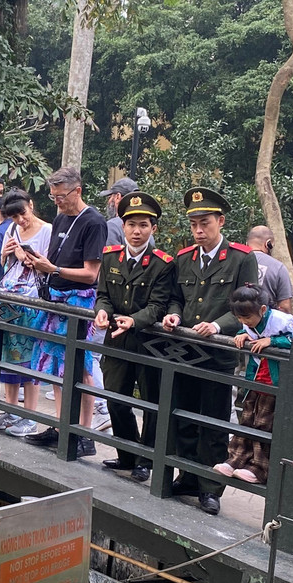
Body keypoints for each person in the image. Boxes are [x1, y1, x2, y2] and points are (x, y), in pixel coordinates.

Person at [162, 187, 259, 515]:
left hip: (217, 355)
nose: (199, 231)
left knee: (213, 424)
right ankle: (187, 476)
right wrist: (173, 314)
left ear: (220, 221)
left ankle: (210, 486)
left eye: (205, 223)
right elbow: (176, 296)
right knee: (184, 419)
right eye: (194, 225)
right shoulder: (183, 258)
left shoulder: (241, 258)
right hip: (184, 350)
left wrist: (218, 327)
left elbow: (248, 305)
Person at [94, 191, 176, 482]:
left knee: (152, 404)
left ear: (153, 228)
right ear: (123, 225)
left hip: (148, 343)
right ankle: (126, 454)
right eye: (131, 225)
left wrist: (135, 320)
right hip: (116, 341)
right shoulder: (110, 257)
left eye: (143, 225)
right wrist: (101, 311)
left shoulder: (162, 263)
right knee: (116, 399)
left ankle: (146, 460)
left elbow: (158, 305)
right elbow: (103, 294)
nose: (136, 231)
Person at [25, 167, 107, 455]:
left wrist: (54, 269)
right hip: (55, 295)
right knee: (57, 366)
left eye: (61, 196)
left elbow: (91, 274)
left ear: (78, 191)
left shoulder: (94, 222)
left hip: (79, 301)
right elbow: (55, 258)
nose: (57, 201)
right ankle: (62, 427)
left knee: (81, 367)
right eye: (53, 195)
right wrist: (37, 261)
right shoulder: (60, 218)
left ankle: (84, 432)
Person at [212, 285, 293, 484]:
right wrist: (246, 334)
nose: (244, 322)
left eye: (247, 318)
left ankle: (259, 467)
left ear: (262, 309)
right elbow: (252, 333)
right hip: (256, 377)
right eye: (240, 319)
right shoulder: (249, 321)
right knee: (247, 418)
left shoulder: (282, 320)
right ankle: (236, 459)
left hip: (275, 378)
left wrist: (272, 341)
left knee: (264, 424)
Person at [0, 190, 52, 437]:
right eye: (14, 216)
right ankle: (10, 411)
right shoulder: (11, 230)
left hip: (33, 303)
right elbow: (3, 265)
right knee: (9, 357)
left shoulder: (48, 231)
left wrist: (30, 258)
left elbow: (51, 267)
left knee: (30, 360)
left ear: (31, 206)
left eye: (23, 213)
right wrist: (7, 253)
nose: (20, 220)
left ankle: (29, 416)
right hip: (10, 301)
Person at [244, 226, 293, 313]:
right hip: (266, 322)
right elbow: (284, 307)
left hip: (236, 321)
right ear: (268, 244)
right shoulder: (278, 267)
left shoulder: (234, 261)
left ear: (246, 243)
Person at [99, 177, 138, 248]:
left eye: (110, 197)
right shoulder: (146, 228)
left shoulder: (112, 226)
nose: (108, 201)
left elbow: (111, 258)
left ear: (118, 197)